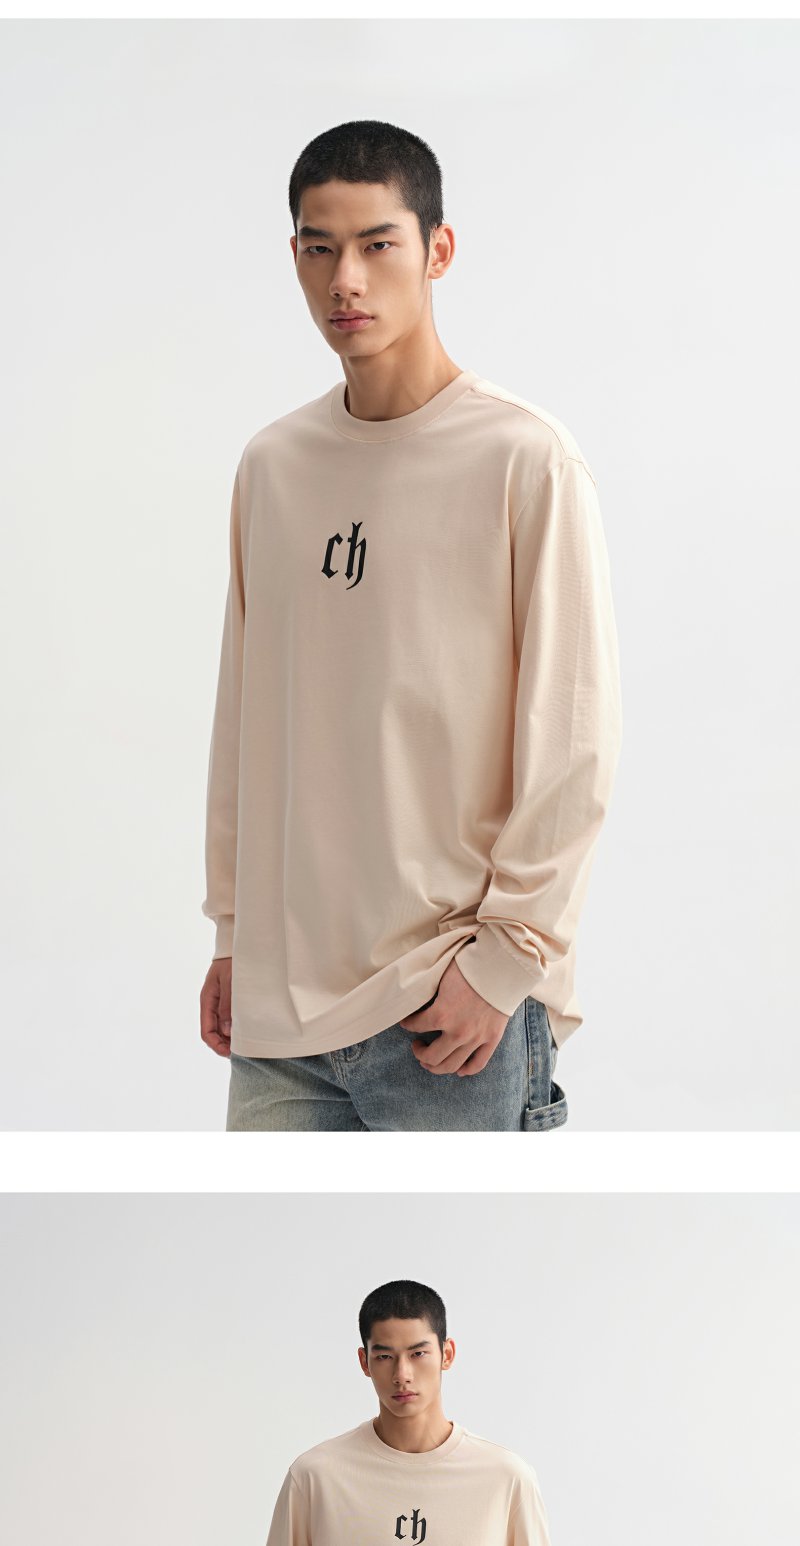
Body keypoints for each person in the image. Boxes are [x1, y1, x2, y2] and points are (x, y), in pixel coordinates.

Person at [199, 119, 623, 1131]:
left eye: (376, 244)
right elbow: (246, 719)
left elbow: (574, 741)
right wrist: (234, 933)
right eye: (319, 248)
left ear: (438, 250)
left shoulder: (524, 460)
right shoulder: (274, 467)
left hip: (447, 1009)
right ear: (295, 256)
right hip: (281, 1016)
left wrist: (505, 962)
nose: (345, 280)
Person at [265, 1279, 552, 1545]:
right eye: (385, 1356)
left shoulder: (506, 1479)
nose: (402, 1374)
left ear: (447, 1354)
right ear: (364, 1362)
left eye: (418, 1354)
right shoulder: (315, 1477)